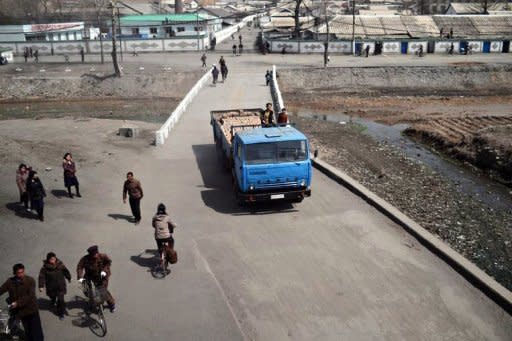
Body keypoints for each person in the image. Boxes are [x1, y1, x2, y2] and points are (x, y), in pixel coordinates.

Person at [0, 263, 44, 341]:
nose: (21, 274)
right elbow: (1, 289)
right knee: (27, 330)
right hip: (21, 312)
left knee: (36, 330)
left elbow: (30, 296)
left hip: (31, 310)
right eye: (18, 273)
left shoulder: (30, 280)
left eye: (22, 272)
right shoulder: (10, 282)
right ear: (14, 273)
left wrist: (17, 303)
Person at [77, 246, 115, 313]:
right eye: (93, 255)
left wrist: (104, 270)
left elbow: (108, 262)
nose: (95, 256)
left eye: (96, 254)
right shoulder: (85, 259)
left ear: (98, 252)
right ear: (90, 254)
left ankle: (111, 304)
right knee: (85, 289)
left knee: (102, 291)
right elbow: (79, 267)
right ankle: (92, 303)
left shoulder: (103, 256)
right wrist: (80, 277)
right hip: (90, 275)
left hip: (102, 275)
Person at [38, 252, 71, 320]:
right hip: (51, 287)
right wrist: (41, 286)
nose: (53, 260)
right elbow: (42, 277)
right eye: (51, 259)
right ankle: (53, 300)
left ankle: (61, 313)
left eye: (54, 259)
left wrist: (69, 277)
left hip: (60, 286)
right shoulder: (45, 268)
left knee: (61, 300)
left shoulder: (60, 264)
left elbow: (65, 271)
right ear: (48, 260)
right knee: (52, 296)